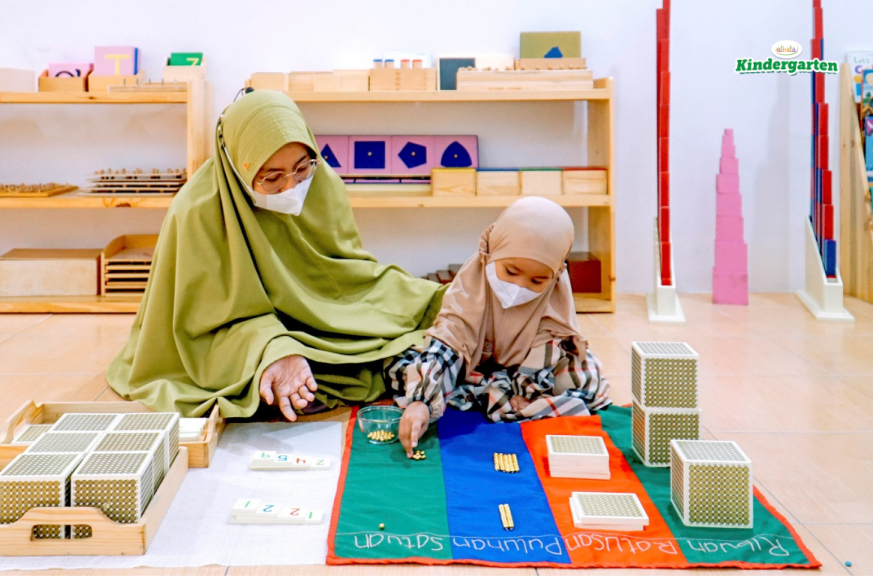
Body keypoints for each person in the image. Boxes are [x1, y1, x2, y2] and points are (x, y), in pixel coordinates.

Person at [106, 90, 445, 421]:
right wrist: (273, 348)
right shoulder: (195, 214)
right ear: (237, 167)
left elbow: (348, 278)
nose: (291, 188)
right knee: (321, 377)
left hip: (324, 315)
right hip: (242, 333)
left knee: (435, 307)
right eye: (271, 178)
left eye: (301, 168)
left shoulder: (322, 183)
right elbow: (201, 328)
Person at [386, 197, 611, 456]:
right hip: (471, 365)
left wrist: (529, 390)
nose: (520, 287)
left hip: (525, 370)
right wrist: (421, 402)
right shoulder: (470, 289)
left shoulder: (553, 303)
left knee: (586, 379)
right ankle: (501, 394)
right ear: (491, 252)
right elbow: (449, 340)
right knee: (407, 366)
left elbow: (550, 349)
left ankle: (507, 393)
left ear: (555, 276)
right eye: (511, 272)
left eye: (537, 280)